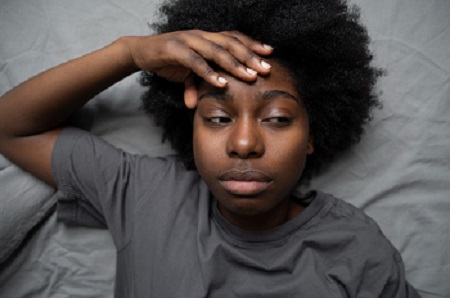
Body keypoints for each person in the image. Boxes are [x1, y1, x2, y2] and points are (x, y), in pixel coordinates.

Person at [0, 0, 420, 297]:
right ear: (191, 127)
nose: (243, 144)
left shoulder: (355, 248)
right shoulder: (147, 192)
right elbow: (12, 128)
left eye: (276, 118)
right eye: (218, 118)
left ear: (312, 134)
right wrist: (130, 53)